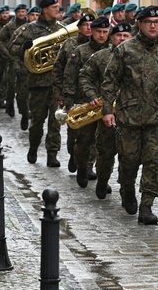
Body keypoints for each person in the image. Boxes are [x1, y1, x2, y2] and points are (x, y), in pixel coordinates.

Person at [101, 5, 158, 225]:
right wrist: (107, 110)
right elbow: (110, 81)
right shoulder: (124, 50)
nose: (153, 26)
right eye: (149, 22)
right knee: (129, 161)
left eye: (157, 22)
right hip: (129, 116)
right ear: (139, 24)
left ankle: (147, 206)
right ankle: (127, 189)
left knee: (153, 161)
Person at [79, 22, 133, 199]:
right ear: (112, 37)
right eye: (119, 35)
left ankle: (127, 190)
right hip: (107, 111)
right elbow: (84, 76)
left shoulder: (138, 56)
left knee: (129, 156)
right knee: (106, 152)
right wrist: (91, 95)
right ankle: (102, 180)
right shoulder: (100, 56)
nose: (122, 39)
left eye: (126, 35)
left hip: (132, 114)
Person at [10, 0, 64, 167]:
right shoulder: (28, 29)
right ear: (45, 9)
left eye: (58, 6)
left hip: (57, 84)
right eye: (54, 7)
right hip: (38, 83)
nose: (58, 9)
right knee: (37, 122)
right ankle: (33, 148)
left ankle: (52, 154)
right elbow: (12, 47)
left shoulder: (62, 29)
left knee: (55, 122)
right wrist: (23, 48)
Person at [63, 16, 111, 188]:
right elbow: (70, 78)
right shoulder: (80, 51)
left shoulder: (114, 52)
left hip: (107, 104)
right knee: (84, 142)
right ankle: (82, 166)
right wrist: (68, 103)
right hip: (84, 103)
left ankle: (102, 176)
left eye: (105, 32)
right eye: (99, 31)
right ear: (92, 32)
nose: (102, 35)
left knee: (105, 145)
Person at [54, 12, 93, 172]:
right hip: (73, 94)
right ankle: (73, 154)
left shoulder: (103, 44)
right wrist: (60, 94)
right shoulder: (69, 44)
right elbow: (58, 69)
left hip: (93, 97)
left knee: (94, 135)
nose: (89, 28)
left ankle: (88, 165)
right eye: (86, 25)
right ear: (79, 27)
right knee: (74, 133)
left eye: (92, 25)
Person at [0, 3, 29, 128]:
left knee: (25, 87)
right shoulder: (10, 26)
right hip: (12, 58)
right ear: (16, 13)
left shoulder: (30, 25)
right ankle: (9, 103)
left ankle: (26, 110)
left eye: (23, 11)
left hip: (27, 60)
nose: (22, 14)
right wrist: (7, 52)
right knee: (10, 84)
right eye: (19, 12)